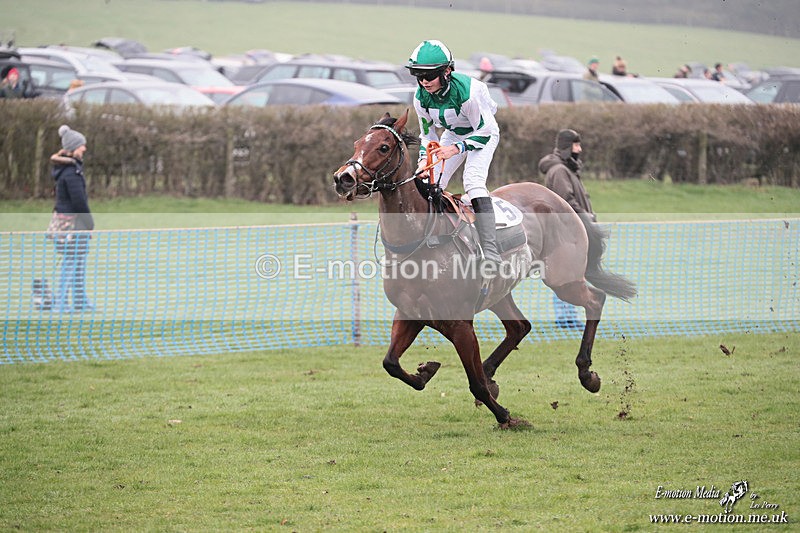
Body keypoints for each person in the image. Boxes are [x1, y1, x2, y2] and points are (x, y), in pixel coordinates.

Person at [406, 39, 502, 264]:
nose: (424, 81)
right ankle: (432, 238)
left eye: (429, 75)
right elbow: (428, 136)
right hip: (453, 134)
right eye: (418, 75)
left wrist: (457, 148)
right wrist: (423, 161)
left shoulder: (468, 93)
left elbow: (485, 130)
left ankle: (491, 251)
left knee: (473, 181)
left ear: (447, 71)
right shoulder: (421, 97)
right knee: (429, 182)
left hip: (482, 133)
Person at [538, 129, 595, 329]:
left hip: (569, 231)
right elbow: (566, 201)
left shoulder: (566, 168)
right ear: (567, 147)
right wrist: (586, 218)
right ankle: (565, 318)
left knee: (571, 274)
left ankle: (568, 317)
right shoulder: (560, 170)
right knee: (565, 274)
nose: (580, 149)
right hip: (565, 232)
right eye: (576, 145)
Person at [50, 125, 95, 312]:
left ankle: (79, 300)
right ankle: (60, 303)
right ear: (73, 148)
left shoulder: (68, 169)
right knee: (71, 262)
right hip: (73, 225)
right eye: (81, 145)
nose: (84, 148)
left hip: (69, 223)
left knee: (79, 262)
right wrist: (89, 223)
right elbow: (79, 203)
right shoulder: (71, 173)